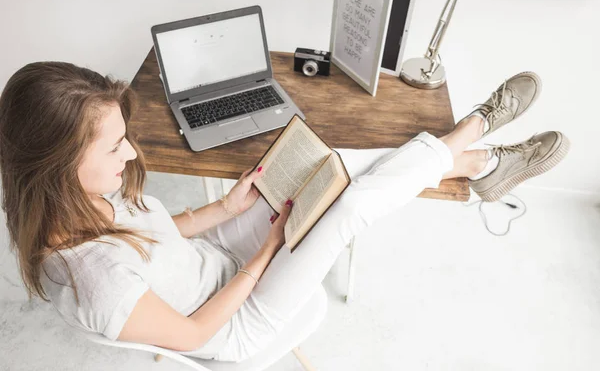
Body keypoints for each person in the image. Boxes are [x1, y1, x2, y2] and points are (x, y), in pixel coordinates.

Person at [0, 63, 569, 362]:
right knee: (351, 208)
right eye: (114, 146)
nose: (131, 153)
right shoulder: (96, 284)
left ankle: (473, 165)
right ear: (58, 165)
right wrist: (267, 251)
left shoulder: (85, 197)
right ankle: (475, 140)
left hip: (215, 263)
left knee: (331, 163)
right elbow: (195, 331)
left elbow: (151, 237)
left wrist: (226, 207)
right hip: (235, 323)